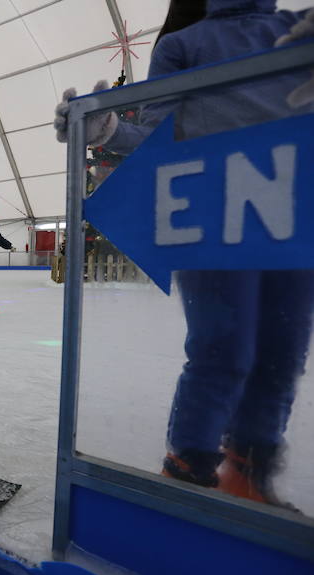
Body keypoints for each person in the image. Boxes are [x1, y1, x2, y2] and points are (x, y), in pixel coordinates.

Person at [53, 0, 314, 506]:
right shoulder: (183, 44)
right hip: (210, 206)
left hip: (290, 206)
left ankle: (250, 469)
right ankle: (189, 463)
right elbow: (159, 130)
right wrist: (105, 130)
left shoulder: (293, 26)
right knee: (225, 345)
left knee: (283, 347)